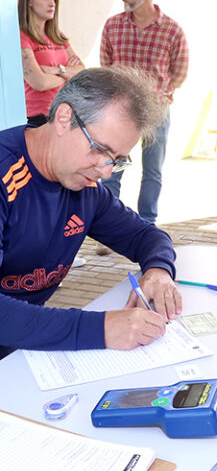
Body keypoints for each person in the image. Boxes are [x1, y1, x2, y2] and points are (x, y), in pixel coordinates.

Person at [0, 67, 183, 361]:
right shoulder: (5, 173)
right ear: (64, 118)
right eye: (100, 149)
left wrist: (159, 271)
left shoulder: (85, 189)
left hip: (20, 351)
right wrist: (102, 329)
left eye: (117, 160)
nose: (105, 171)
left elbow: (146, 235)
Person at [99, 0, 189, 225]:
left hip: (156, 110)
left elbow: (180, 72)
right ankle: (107, 224)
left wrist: (158, 93)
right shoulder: (112, 25)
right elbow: (106, 67)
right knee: (111, 169)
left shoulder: (172, 30)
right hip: (118, 109)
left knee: (152, 171)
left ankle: (147, 224)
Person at [17, 0, 84, 126]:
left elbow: (82, 73)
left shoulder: (58, 36)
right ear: (29, 1)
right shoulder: (22, 37)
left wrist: (56, 70)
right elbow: (40, 83)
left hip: (67, 114)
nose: (52, 3)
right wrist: (68, 74)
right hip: (39, 119)